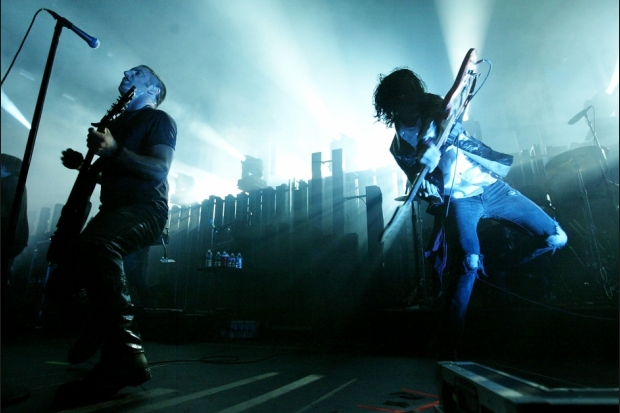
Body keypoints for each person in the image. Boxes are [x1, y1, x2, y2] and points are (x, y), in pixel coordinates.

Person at [372, 67, 567, 360]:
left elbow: (438, 121)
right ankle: (447, 345)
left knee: (556, 237)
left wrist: (429, 144)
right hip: (460, 199)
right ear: (391, 104)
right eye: (401, 93)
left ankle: (495, 265)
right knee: (467, 261)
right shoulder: (398, 147)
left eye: (411, 89)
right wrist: (424, 184)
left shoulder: (435, 106)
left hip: (491, 188)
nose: (409, 96)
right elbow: (417, 178)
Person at [48, 65, 176, 407]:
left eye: (137, 73)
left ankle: (125, 356)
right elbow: (115, 177)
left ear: (152, 88)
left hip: (146, 209)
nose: (125, 72)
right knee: (62, 280)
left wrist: (115, 150)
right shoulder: (116, 124)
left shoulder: (158, 120)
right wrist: (84, 167)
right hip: (114, 211)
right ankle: (101, 324)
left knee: (99, 246)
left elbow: (159, 169)